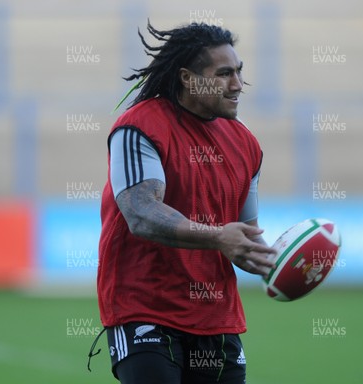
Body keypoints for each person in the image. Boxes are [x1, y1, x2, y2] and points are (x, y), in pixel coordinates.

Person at [95, 21, 276, 384]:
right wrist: (217, 237)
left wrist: (277, 260)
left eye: (239, 72)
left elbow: (245, 233)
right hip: (145, 309)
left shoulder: (247, 144)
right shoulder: (139, 128)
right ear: (188, 78)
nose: (238, 85)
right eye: (224, 74)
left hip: (216, 317)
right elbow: (143, 215)